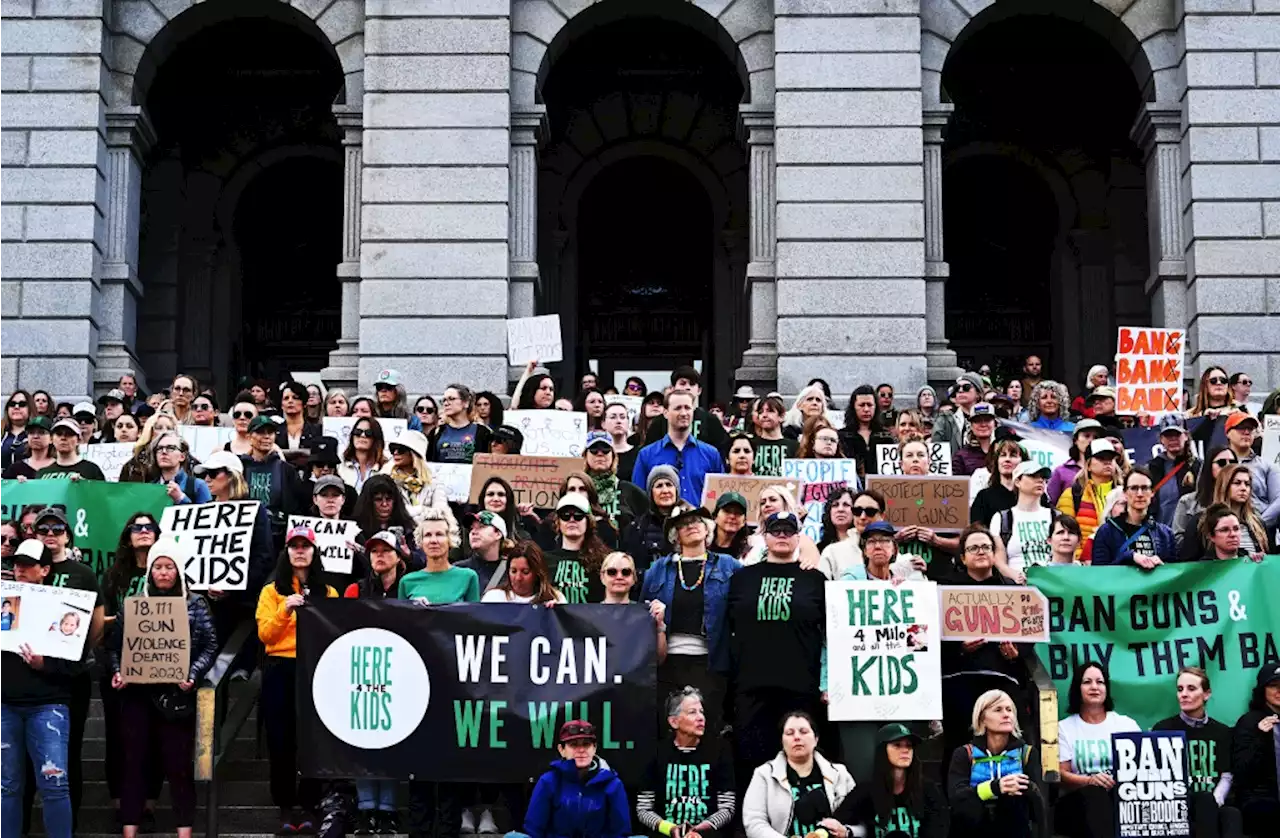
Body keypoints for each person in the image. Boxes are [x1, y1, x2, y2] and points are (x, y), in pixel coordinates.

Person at [108, 537, 217, 838]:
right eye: (158, 567)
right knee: (134, 765)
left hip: (176, 699)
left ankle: (185, 831)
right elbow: (114, 647)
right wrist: (119, 671)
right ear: (150, 572)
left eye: (170, 567)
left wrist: (193, 674)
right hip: (137, 698)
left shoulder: (195, 604)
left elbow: (210, 645)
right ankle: (130, 829)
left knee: (179, 767)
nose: (164, 573)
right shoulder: (133, 607)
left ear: (179, 571)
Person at [728, 512, 828, 788]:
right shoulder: (741, 578)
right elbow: (727, 628)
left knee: (799, 760)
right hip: (751, 686)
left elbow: (831, 636)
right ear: (764, 536)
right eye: (775, 530)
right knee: (751, 759)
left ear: (799, 537)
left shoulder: (816, 580)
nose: (782, 535)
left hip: (800, 687)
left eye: (788, 531)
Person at [255, 524, 338, 834]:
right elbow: (265, 635)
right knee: (281, 739)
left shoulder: (328, 592)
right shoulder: (271, 591)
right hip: (280, 668)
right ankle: (286, 806)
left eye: (305, 545)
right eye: (294, 546)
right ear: (286, 551)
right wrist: (285, 610)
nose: (300, 550)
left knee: (313, 739)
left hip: (315, 669)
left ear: (314, 552)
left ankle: (310, 805)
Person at [0, 539, 81, 838]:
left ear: (45, 569)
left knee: (55, 784)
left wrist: (43, 664)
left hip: (49, 704)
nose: (20, 569)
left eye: (28, 565)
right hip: (5, 704)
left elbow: (77, 663)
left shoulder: (65, 604)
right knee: (6, 786)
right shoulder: (4, 599)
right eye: (17, 564)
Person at [641, 502, 742, 736]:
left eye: (696, 521)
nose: (691, 526)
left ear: (707, 529)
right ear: (675, 535)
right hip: (668, 662)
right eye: (683, 524)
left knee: (706, 728)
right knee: (668, 727)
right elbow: (641, 610)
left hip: (711, 662)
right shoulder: (658, 569)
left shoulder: (729, 566)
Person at [940, 527, 1025, 780]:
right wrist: (959, 647)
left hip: (1001, 679)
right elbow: (931, 635)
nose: (980, 552)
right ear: (963, 557)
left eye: (986, 547)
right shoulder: (944, 588)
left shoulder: (1011, 589)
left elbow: (1028, 635)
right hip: (959, 681)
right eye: (973, 548)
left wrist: (1015, 653)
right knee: (958, 744)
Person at [1152, 667, 1243, 838]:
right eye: (1180, 689)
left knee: (1231, 814)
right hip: (1176, 805)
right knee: (1203, 800)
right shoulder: (1163, 729)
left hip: (1213, 800)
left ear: (1206, 694)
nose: (1183, 694)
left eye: (1191, 688)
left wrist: (1216, 801)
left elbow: (1226, 775)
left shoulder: (1222, 732)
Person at [637, 687, 736, 838]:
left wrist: (699, 830)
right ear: (674, 722)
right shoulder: (656, 753)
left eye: (701, 712)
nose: (700, 717)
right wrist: (670, 829)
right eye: (692, 712)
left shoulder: (719, 751)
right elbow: (643, 809)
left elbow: (727, 807)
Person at [1056, 661, 1140, 838]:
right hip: (1077, 803)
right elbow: (1060, 773)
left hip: (1121, 799)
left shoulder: (1125, 724)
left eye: (1100, 682)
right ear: (1077, 688)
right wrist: (1090, 781)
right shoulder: (1064, 727)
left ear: (1106, 688)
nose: (1094, 687)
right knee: (1095, 794)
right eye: (1087, 682)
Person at [742, 711, 855, 838]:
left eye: (803, 732)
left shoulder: (839, 773)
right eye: (789, 733)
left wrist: (846, 832)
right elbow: (754, 822)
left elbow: (862, 819)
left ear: (816, 739)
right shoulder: (764, 774)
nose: (797, 737)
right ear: (782, 741)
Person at [511, 720, 633, 838]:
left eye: (586, 744)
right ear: (561, 750)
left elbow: (620, 832)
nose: (581, 750)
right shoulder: (548, 782)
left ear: (594, 748)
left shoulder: (612, 784)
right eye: (573, 745)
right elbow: (534, 830)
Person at [947, 689, 1042, 837]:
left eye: (1009, 710)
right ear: (982, 718)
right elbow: (957, 798)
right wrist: (994, 787)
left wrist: (1024, 789)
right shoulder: (965, 753)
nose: (1006, 715)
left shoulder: (1027, 753)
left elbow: (1038, 806)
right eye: (998, 710)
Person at [829, 723, 948, 838]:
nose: (905, 750)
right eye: (897, 745)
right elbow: (838, 820)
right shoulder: (866, 791)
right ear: (882, 750)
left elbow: (939, 828)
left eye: (909, 745)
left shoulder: (928, 789)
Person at [632, 390, 724, 505]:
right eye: (678, 408)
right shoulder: (646, 455)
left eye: (687, 408)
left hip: (700, 521)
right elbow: (638, 500)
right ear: (665, 413)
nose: (684, 413)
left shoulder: (711, 454)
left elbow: (720, 499)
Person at [1091, 466, 1177, 568]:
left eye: (1145, 488)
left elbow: (1174, 573)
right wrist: (1129, 557)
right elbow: (1099, 574)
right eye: (1134, 488)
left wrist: (1162, 566)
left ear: (1152, 493)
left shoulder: (1165, 534)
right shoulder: (1106, 532)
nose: (1140, 494)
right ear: (1125, 493)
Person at [1231, 663, 1280, 834]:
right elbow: (1242, 772)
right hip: (1262, 805)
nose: (1279, 691)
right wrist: (1260, 736)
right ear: (1262, 690)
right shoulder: (1249, 722)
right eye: (1273, 685)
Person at [398, 509, 480, 604]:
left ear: (450, 539)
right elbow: (402, 618)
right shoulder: (407, 582)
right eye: (428, 535)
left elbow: (474, 616)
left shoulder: (468, 577)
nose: (433, 540)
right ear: (421, 541)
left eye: (439, 534)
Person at [1056, 439, 1120, 558]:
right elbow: (1066, 532)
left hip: (1120, 564)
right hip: (1085, 567)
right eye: (1101, 458)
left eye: (1111, 458)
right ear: (1088, 465)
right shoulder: (1073, 494)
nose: (1107, 462)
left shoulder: (1124, 494)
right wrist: (1080, 559)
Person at [990, 461, 1054, 578]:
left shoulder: (1055, 516)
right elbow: (999, 561)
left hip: (1053, 585)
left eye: (1043, 477)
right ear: (1017, 481)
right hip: (1016, 588)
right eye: (1033, 476)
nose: (1040, 480)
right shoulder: (1002, 518)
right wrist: (1016, 576)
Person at [543, 493, 611, 603]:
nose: (572, 519)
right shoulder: (544, 560)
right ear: (558, 523)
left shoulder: (604, 560)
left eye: (578, 515)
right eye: (565, 516)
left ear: (588, 522)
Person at [1223, 411, 1280, 528]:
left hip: (1260, 529)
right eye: (1240, 428)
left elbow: (1278, 500)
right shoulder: (1217, 463)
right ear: (1228, 433)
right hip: (1222, 528)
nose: (1246, 432)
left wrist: (1259, 524)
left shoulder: (1267, 466)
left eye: (1250, 429)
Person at [480, 540, 564, 604]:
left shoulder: (556, 598)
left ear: (537, 573)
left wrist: (556, 613)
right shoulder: (494, 598)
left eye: (525, 572)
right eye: (513, 571)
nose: (518, 578)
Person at [428, 384, 492, 463]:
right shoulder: (436, 432)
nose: (446, 403)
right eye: (444, 400)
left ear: (466, 403)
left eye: (451, 399)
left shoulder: (482, 432)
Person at [1046, 419, 1103, 505]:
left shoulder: (1106, 468)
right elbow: (1051, 503)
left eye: (1096, 437)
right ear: (1075, 440)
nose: (1091, 440)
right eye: (1086, 436)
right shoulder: (1061, 471)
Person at [455, 510, 510, 593]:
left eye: (481, 527)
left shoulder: (512, 571)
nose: (473, 532)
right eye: (471, 528)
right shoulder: (458, 569)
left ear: (498, 534)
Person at [38, 418, 106, 480]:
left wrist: (83, 485)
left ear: (79, 440)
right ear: (51, 439)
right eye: (59, 434)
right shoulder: (42, 473)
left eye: (69, 434)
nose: (63, 438)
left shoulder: (92, 470)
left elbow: (103, 492)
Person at [932, 372, 984, 448]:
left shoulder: (989, 419)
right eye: (957, 388)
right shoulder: (944, 419)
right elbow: (937, 450)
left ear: (978, 394)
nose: (960, 390)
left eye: (966, 387)